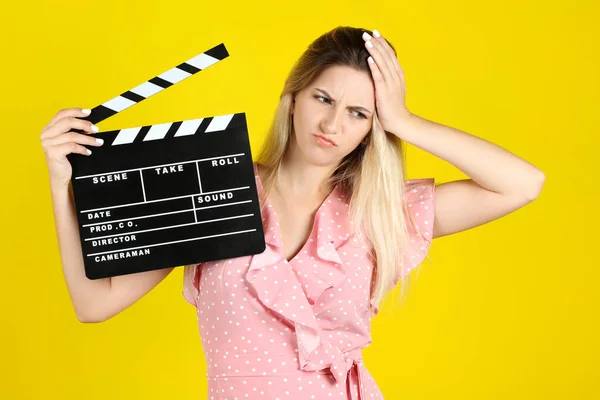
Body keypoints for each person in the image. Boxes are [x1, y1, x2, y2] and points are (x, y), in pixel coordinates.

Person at [40, 26, 545, 399]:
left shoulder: (380, 213)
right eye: (322, 98)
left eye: (358, 113)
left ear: (373, 128)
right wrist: (63, 185)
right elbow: (94, 304)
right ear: (292, 100)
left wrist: (403, 120)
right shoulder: (217, 191)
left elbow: (523, 184)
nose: (331, 122)